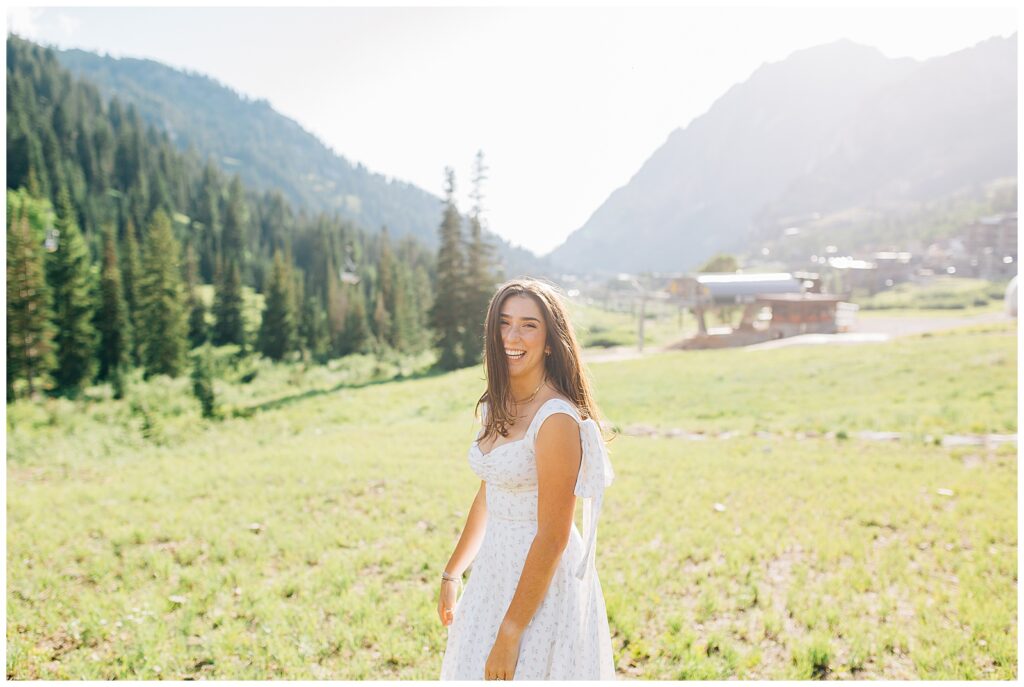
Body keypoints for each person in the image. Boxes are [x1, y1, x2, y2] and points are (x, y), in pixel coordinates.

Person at [438, 278, 616, 680]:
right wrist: (453, 572)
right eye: (504, 323)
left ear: (551, 341)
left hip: (540, 581)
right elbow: (489, 493)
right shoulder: (497, 405)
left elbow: (553, 535)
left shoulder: (554, 419)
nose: (512, 336)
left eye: (528, 325)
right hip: (493, 570)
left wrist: (512, 629)